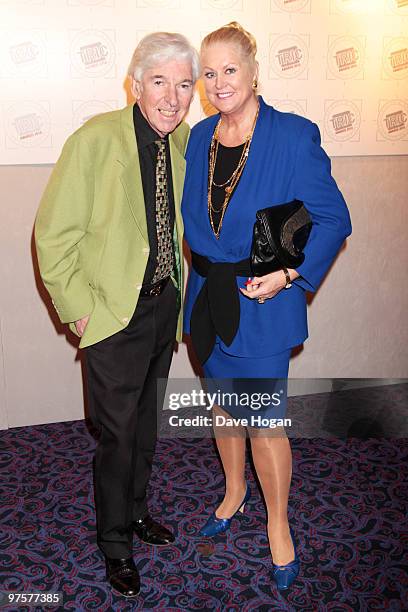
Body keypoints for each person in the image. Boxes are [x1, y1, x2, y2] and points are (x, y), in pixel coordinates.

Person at [182, 22, 351, 591]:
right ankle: (233, 494)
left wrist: (288, 274)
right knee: (224, 409)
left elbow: (333, 219)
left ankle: (279, 525)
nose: (218, 81)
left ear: (254, 72)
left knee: (265, 425)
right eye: (209, 72)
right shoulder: (201, 136)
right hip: (209, 300)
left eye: (230, 69)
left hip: (262, 304)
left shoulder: (292, 135)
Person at [35, 32, 199, 598]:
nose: (172, 98)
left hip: (161, 311)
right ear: (136, 84)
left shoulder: (181, 146)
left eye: (184, 84)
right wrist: (78, 311)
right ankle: (114, 545)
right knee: (118, 435)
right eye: (160, 82)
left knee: (147, 428)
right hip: (110, 316)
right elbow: (53, 235)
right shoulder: (96, 140)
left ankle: (134, 513)